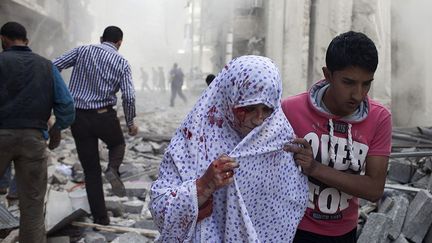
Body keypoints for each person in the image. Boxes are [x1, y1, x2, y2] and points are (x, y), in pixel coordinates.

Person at [150, 55, 308, 242]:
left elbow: (290, 205)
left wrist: (307, 166)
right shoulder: (194, 141)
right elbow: (160, 209)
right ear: (228, 99)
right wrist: (203, 186)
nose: (259, 119)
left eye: (267, 110)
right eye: (248, 108)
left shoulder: (279, 144)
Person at [282, 31, 392, 243]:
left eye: (366, 83)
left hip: (343, 234)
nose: (358, 94)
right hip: (292, 228)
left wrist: (314, 168)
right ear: (328, 74)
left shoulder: (379, 118)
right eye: (348, 82)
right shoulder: (291, 109)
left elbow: (374, 189)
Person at [53, 26, 138, 226]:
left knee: (91, 170)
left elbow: (54, 65)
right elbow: (129, 95)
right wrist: (131, 121)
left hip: (79, 118)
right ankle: (113, 168)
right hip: (104, 117)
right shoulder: (122, 62)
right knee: (117, 144)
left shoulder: (82, 50)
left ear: (101, 39)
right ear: (119, 43)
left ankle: (101, 218)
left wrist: (60, 97)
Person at [0, 21, 75, 243]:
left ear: (3, 39)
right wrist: (57, 128)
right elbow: (67, 105)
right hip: (34, 139)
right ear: (27, 41)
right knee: (32, 206)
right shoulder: (47, 66)